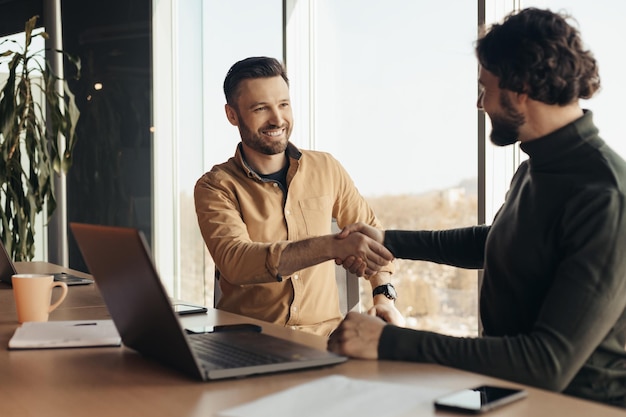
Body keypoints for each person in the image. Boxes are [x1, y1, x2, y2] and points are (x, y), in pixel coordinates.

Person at [328, 7, 626, 408]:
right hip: (509, 399)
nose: (479, 102)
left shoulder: (606, 196)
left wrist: (389, 341)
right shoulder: (537, 167)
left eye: (485, 87)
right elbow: (498, 241)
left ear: (520, 87)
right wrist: (389, 240)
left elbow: (546, 362)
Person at [194, 56, 404, 337]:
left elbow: (373, 234)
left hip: (325, 341)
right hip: (250, 342)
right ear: (232, 115)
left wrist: (383, 295)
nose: (277, 119)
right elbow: (237, 261)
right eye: (261, 108)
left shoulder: (326, 168)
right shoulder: (215, 187)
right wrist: (332, 247)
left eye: (283, 104)